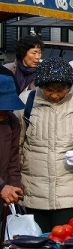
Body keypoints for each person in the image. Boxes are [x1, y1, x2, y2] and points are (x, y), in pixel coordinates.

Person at [15, 57, 73, 232]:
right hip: (34, 191)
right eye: (49, 90)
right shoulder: (26, 101)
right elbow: (16, 145)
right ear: (40, 86)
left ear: (69, 86)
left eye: (61, 90)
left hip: (72, 193)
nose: (55, 95)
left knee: (68, 240)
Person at [0, 75, 24, 206]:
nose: (5, 113)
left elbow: (13, 157)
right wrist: (2, 187)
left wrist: (14, 184)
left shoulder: (12, 121)